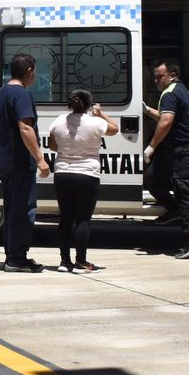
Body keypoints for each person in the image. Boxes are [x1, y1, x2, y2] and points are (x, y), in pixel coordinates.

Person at [47, 89, 119, 273]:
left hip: (62, 173)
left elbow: (52, 146)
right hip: (87, 174)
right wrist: (100, 113)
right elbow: (115, 129)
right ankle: (81, 262)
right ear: (88, 105)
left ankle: (64, 262)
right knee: (83, 220)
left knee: (65, 218)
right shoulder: (96, 123)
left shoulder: (58, 122)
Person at [0, 53, 50, 273]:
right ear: (28, 72)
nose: (35, 76)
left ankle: (12, 255)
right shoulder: (22, 94)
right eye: (34, 71)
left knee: (11, 210)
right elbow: (25, 127)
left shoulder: (0, 93)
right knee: (24, 210)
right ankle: (17, 259)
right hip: (20, 162)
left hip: (5, 161)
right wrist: (40, 158)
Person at [143, 60, 189, 259]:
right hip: (178, 150)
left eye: (160, 76)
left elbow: (167, 121)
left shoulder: (170, 93)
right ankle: (174, 210)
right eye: (155, 76)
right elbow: (164, 116)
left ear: (173, 75)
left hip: (184, 150)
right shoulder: (179, 90)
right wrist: (146, 109)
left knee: (184, 192)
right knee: (153, 178)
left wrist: (151, 146)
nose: (156, 80)